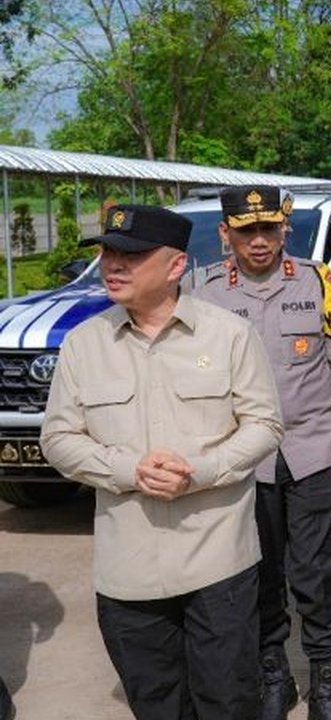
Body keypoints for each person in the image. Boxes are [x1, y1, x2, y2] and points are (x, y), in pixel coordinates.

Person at [41, 205, 284, 720]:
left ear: (175, 267)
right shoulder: (85, 345)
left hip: (218, 561)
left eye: (130, 254)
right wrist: (127, 470)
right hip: (128, 570)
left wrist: (200, 470)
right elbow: (58, 438)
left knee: (229, 702)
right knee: (156, 706)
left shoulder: (228, 335)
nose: (113, 265)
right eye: (107, 252)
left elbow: (264, 425)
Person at [192, 186, 331, 720]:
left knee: (316, 577)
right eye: (247, 231)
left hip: (312, 451)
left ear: (284, 231)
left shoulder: (318, 283)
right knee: (260, 576)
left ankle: (325, 685)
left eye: (269, 229)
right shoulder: (201, 290)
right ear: (227, 234)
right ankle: (276, 676)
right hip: (244, 459)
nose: (260, 241)